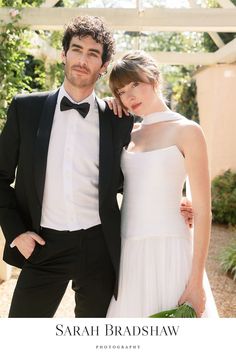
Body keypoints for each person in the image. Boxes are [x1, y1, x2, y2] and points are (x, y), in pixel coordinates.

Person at [0, 16, 192, 318]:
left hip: (100, 245)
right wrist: (16, 233)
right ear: (64, 54)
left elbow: (137, 175)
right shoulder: (26, 109)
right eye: (77, 49)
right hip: (42, 243)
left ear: (103, 66)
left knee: (98, 339)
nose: (82, 59)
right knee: (21, 338)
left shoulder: (119, 120)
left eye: (93, 53)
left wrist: (176, 201)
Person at [106, 51, 218, 318]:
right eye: (121, 91)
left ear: (154, 78)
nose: (129, 95)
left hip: (170, 249)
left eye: (135, 84)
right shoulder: (127, 133)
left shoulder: (187, 130)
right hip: (128, 250)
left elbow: (203, 211)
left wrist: (196, 282)